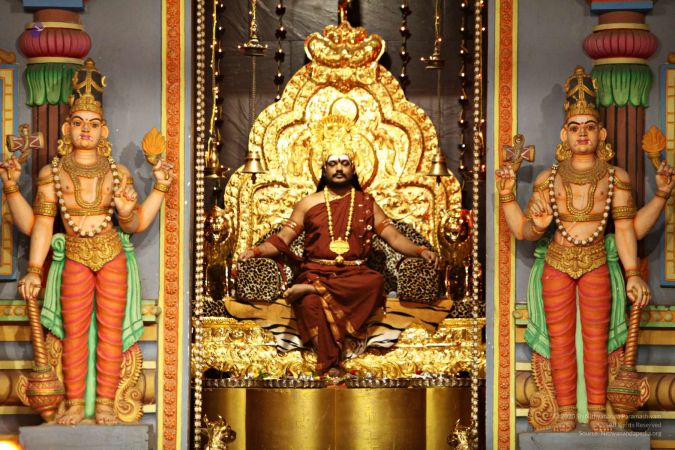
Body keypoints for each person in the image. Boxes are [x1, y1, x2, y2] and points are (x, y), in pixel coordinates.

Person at [495, 66, 675, 432]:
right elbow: (523, 231)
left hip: (595, 263)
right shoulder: (548, 180)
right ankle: (564, 410)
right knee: (561, 341)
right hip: (557, 263)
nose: (582, 133)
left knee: (596, 341)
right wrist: (513, 202)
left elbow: (627, 229)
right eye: (575, 127)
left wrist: (634, 271)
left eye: (589, 126)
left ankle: (595, 410)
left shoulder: (615, 178)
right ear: (564, 133)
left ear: (601, 133)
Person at [9, 59, 174, 425]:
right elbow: (40, 225)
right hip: (75, 256)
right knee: (75, 332)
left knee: (111, 332)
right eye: (79, 123)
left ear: (104, 130)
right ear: (67, 127)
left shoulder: (118, 172)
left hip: (112, 253)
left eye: (94, 124)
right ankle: (72, 403)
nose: (86, 130)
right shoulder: (53, 172)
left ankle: (104, 404)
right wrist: (34, 268)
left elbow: (134, 224)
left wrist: (152, 193)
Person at [239, 115, 439, 375]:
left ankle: (312, 290)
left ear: (353, 169)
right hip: (316, 270)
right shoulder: (308, 203)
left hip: (354, 275)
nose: (339, 168)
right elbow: (282, 240)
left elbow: (394, 237)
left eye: (345, 163)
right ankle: (331, 363)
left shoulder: (366, 203)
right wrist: (255, 251)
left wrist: (421, 250)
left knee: (375, 282)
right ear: (324, 170)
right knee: (311, 305)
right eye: (332, 163)